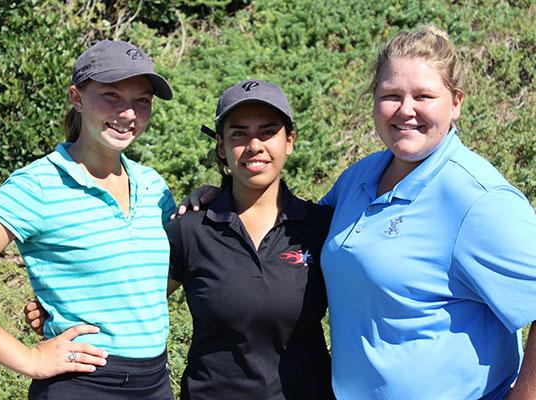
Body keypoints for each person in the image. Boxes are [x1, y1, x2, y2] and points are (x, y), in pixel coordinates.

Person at [172, 26, 536, 399]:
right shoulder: (360, 178)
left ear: (455, 102)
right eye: (391, 95)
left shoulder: (477, 199)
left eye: (424, 96)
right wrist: (222, 195)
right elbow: (289, 219)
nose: (406, 110)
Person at [27, 79, 336, 399]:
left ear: (290, 141)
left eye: (268, 131)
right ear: (221, 145)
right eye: (239, 133)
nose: (254, 145)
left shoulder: (322, 228)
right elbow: (132, 298)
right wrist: (60, 307)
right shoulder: (192, 230)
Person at [0, 39, 176, 399]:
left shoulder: (152, 185)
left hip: (155, 382)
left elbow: (154, 278)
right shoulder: (39, 186)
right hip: (83, 386)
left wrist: (211, 201)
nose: (128, 114)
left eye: (142, 100)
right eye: (112, 96)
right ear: (77, 98)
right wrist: (28, 359)